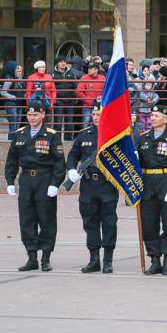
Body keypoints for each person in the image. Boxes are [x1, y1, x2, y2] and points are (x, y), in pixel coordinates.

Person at [4, 101, 66, 272]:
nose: (32, 118)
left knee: (46, 219)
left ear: (43, 115)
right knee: (27, 219)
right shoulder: (20, 134)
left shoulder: (51, 135)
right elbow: (11, 159)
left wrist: (55, 183)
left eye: (35, 114)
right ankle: (32, 257)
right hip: (26, 180)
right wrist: (10, 181)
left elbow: (59, 162)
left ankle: (46, 257)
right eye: (29, 115)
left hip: (44, 179)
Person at [66, 103, 119, 274]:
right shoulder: (84, 134)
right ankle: (94, 259)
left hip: (108, 184)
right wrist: (72, 169)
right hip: (89, 185)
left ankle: (108, 260)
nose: (96, 117)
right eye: (94, 114)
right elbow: (73, 155)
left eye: (99, 114)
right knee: (90, 222)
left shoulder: (115, 135)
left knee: (109, 223)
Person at [137, 105, 167, 276]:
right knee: (148, 222)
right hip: (148, 183)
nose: (152, 118)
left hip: (166, 181)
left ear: (165, 119)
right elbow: (138, 163)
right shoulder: (143, 138)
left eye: (156, 115)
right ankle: (154, 259)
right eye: (151, 115)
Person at [52, 56, 79, 141]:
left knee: (69, 122)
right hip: (59, 101)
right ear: (57, 63)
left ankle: (68, 140)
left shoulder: (71, 73)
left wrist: (75, 98)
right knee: (58, 122)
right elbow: (52, 88)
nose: (63, 63)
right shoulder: (52, 74)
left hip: (70, 101)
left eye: (64, 61)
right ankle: (57, 140)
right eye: (61, 62)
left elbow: (75, 87)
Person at [0, 62, 26, 140]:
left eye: (21, 71)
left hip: (19, 104)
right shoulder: (9, 79)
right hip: (11, 104)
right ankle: (11, 141)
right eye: (18, 71)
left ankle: (15, 141)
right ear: (12, 70)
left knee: (17, 125)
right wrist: (11, 96)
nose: (20, 72)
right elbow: (3, 92)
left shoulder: (19, 79)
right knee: (13, 125)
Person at [76, 61, 105, 127]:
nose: (89, 69)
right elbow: (79, 92)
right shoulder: (84, 78)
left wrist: (102, 98)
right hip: (88, 106)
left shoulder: (103, 79)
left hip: (100, 106)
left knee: (101, 124)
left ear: (96, 70)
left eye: (91, 68)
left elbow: (106, 91)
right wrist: (89, 100)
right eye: (89, 68)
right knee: (86, 124)